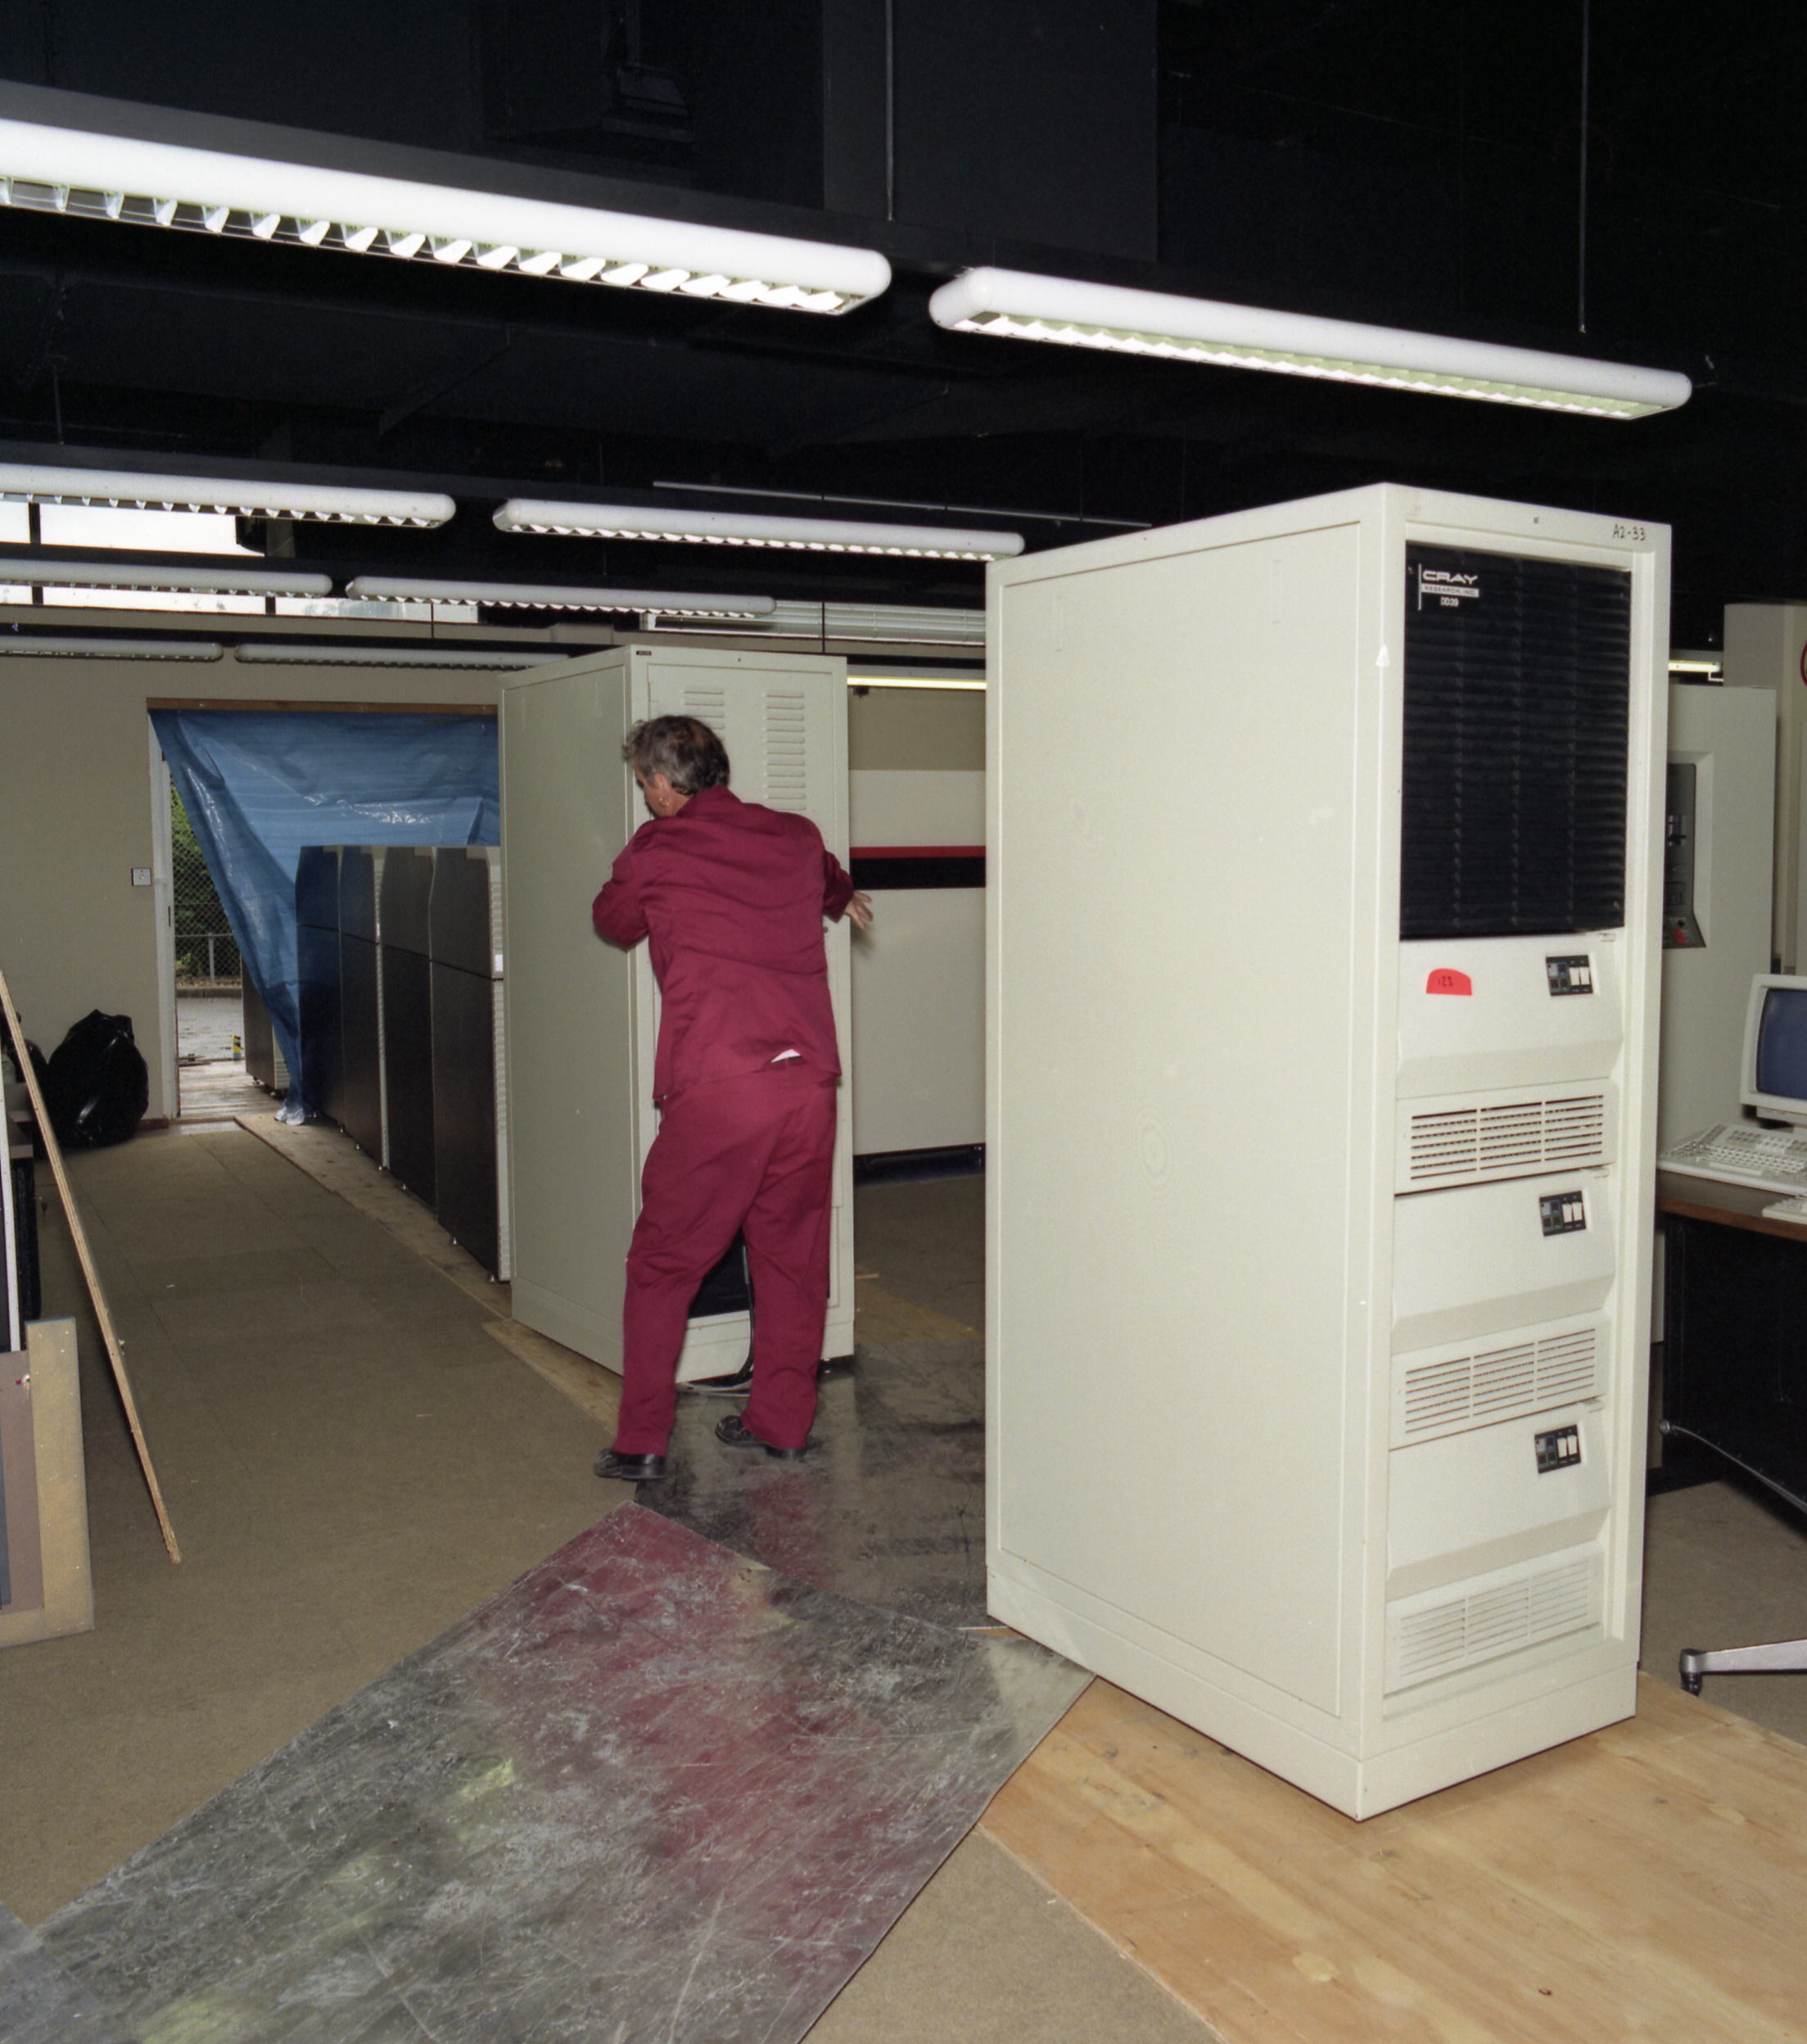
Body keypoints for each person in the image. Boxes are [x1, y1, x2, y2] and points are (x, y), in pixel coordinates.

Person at [590, 714, 872, 1483]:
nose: (644, 795)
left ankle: (641, 1442)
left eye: (642, 782)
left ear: (660, 783)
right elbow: (831, 880)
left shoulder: (658, 847)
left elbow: (612, 922)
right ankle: (782, 1426)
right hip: (806, 1086)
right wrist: (842, 897)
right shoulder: (796, 835)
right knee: (791, 1260)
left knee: (662, 1265)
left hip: (720, 1087)